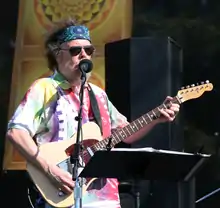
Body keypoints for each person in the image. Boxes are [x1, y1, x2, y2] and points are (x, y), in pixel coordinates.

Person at [6, 18, 180, 208]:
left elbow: (125, 133)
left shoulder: (98, 95)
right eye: (75, 51)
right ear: (57, 54)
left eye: (88, 50)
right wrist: (50, 170)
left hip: (106, 198)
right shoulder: (44, 88)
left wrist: (156, 117)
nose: (83, 55)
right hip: (62, 193)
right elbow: (16, 132)